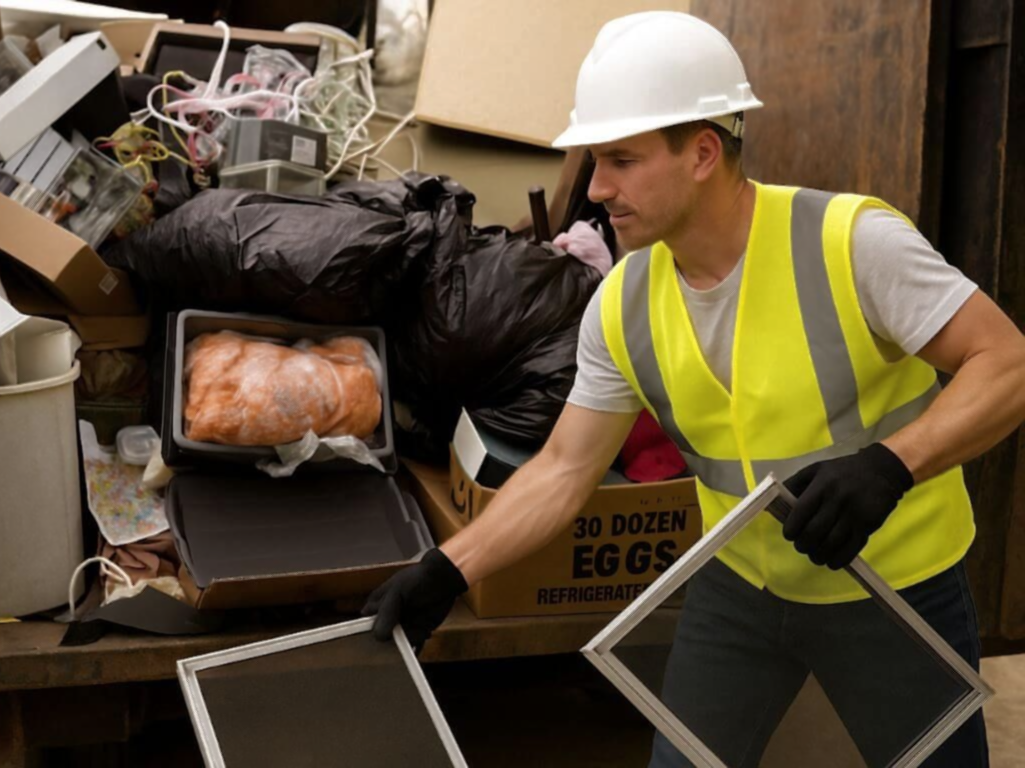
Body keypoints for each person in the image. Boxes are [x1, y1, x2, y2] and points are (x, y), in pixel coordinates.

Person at [363, 11, 1025, 766]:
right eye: (595, 159)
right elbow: (564, 469)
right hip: (740, 590)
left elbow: (1006, 363)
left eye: (620, 159)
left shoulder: (851, 242)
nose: (597, 188)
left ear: (704, 152)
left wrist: (892, 464)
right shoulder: (623, 301)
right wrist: (450, 567)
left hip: (893, 590)